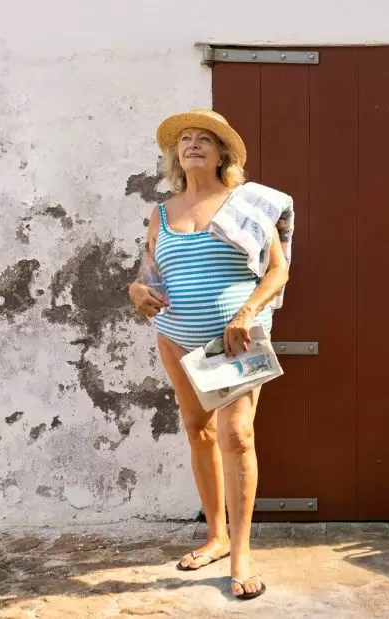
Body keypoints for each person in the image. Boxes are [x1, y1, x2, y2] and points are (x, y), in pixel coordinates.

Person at [127, 108, 289, 600]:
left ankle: (241, 552)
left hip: (234, 341)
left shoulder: (246, 202)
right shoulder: (160, 213)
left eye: (205, 139)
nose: (193, 144)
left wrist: (246, 313)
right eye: (185, 139)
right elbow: (150, 273)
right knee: (198, 431)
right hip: (175, 336)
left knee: (236, 436)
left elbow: (277, 271)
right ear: (176, 155)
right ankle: (216, 537)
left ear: (222, 154)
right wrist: (137, 289)